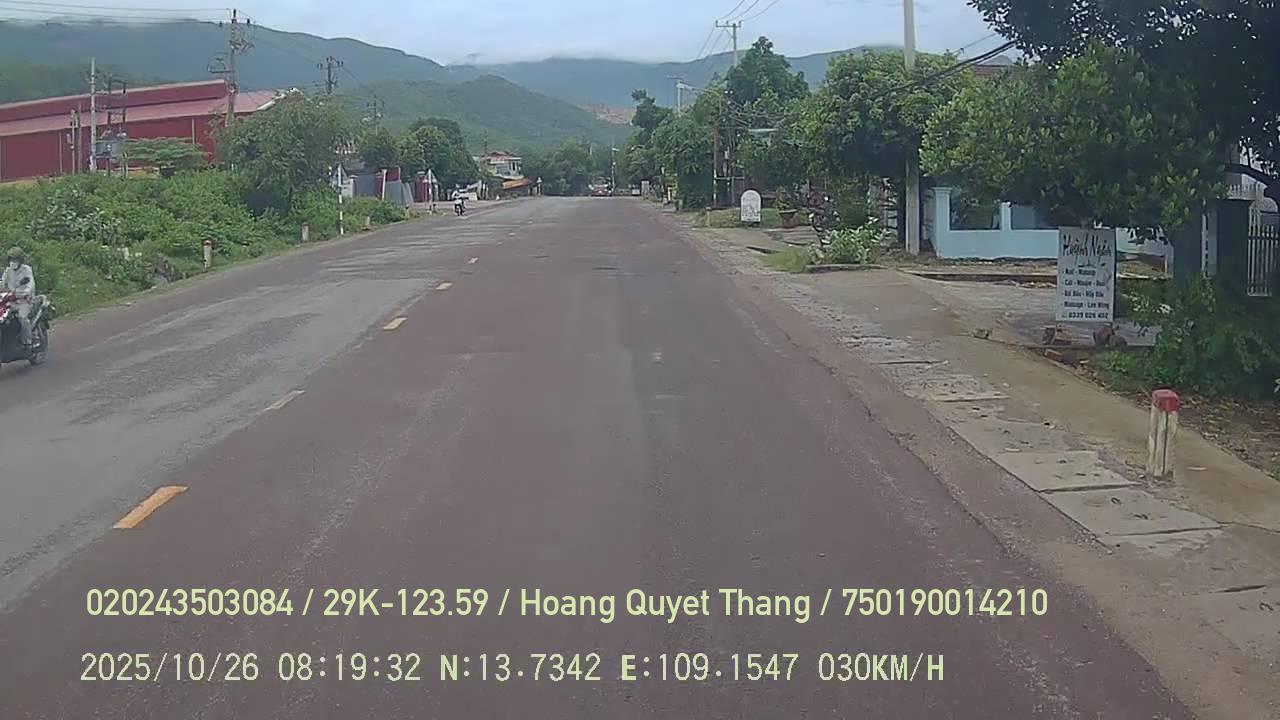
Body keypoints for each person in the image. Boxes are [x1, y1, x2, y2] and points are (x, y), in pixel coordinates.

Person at [1, 246, 34, 347]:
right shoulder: (8, 270)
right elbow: (2, 283)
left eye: (15, 260)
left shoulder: (26, 270)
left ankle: (28, 342)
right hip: (10, 301)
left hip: (25, 301)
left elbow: (30, 286)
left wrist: (22, 294)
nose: (13, 262)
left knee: (22, 317)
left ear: (20, 260)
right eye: (11, 259)